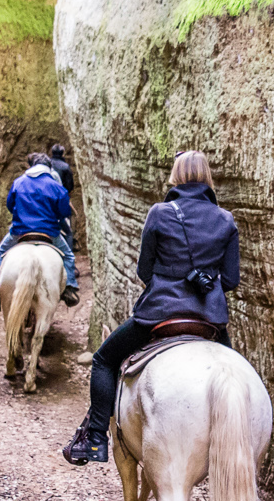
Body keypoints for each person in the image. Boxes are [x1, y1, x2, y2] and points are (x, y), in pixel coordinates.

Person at [62, 150, 237, 466]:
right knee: (237, 377)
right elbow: (232, 279)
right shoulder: (225, 219)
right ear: (208, 178)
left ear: (176, 177)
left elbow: (145, 270)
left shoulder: (159, 212)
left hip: (160, 313)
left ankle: (96, 438)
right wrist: (206, 284)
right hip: (210, 320)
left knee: (103, 359)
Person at [0, 153, 79, 307]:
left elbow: (10, 205)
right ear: (48, 168)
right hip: (49, 232)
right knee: (69, 256)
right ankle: (70, 287)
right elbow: (64, 212)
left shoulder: (18, 182)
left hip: (20, 231)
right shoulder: (57, 187)